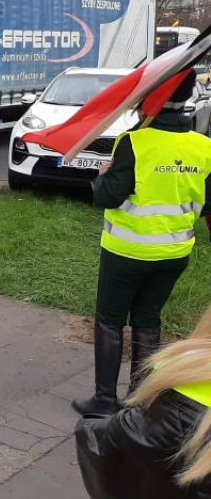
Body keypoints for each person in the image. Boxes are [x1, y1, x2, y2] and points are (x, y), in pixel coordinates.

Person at [73, 70, 211, 416]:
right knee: (149, 321)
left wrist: (101, 177)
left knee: (110, 320)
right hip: (175, 253)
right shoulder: (204, 146)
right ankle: (138, 403)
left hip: (127, 252)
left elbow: (108, 196)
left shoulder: (133, 143)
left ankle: (105, 401)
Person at [73, 307, 211, 499]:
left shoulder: (192, 402)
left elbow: (105, 462)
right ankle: (135, 392)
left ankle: (105, 397)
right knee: (146, 319)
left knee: (110, 318)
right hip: (169, 264)